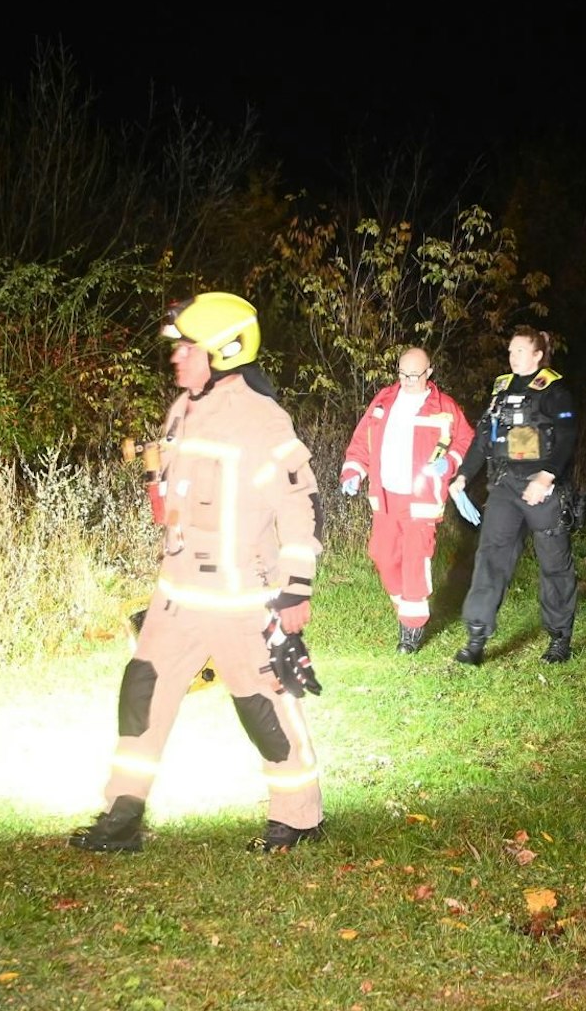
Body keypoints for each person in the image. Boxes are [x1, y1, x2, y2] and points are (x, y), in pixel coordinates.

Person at [71, 292, 327, 855]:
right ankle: (121, 816)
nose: (177, 358)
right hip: (177, 595)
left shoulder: (261, 419)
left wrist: (296, 589)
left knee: (263, 707)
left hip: (241, 598)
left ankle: (298, 817)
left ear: (225, 353)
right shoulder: (183, 407)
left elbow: (300, 505)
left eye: (188, 349)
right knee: (141, 695)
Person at [449, 326, 580, 665]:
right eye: (510, 351)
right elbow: (482, 439)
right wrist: (463, 475)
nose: (513, 357)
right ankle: (476, 637)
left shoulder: (554, 390)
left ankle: (559, 638)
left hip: (542, 488)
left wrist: (547, 476)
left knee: (554, 564)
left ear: (538, 354)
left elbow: (567, 436)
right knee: (491, 558)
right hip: (505, 486)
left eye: (520, 351)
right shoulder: (501, 389)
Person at [339, 347, 475, 653]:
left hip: (421, 500)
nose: (408, 380)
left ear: (429, 373)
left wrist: (450, 462)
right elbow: (362, 440)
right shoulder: (384, 400)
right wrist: (353, 471)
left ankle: (411, 631)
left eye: (415, 375)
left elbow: (466, 439)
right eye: (403, 374)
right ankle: (407, 609)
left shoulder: (444, 406)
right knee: (382, 555)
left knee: (415, 562)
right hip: (386, 497)